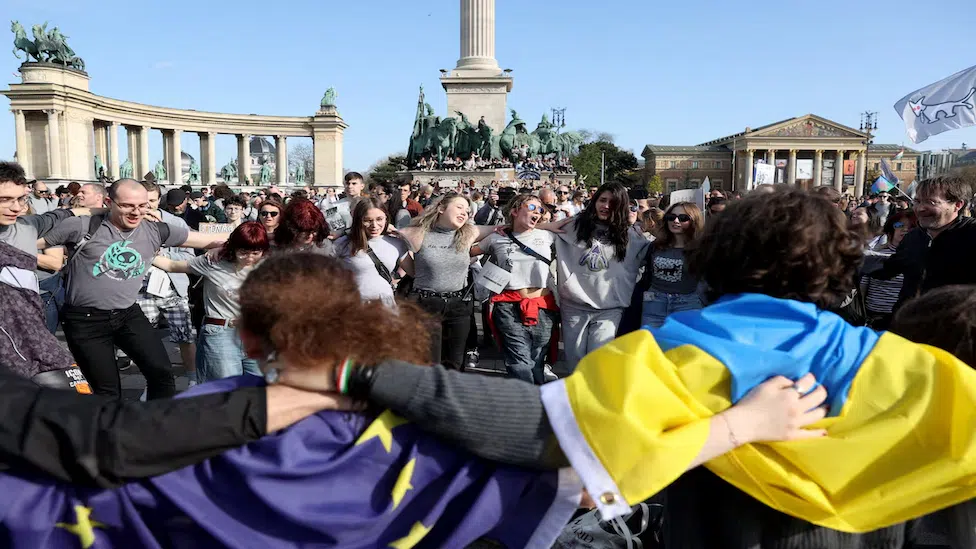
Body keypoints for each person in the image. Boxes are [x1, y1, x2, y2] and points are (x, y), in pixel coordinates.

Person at [0, 253, 827, 549]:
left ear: (249, 340)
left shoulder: (198, 412)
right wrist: (740, 425)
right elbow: (590, 457)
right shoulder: (424, 426)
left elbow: (93, 462)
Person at [38, 179, 227, 400]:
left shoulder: (155, 229)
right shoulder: (82, 225)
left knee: (162, 374)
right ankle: (111, 432)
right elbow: (27, 240)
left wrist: (258, 239)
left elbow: (209, 240)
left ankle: (153, 425)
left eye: (142, 205)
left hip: (127, 313)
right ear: (109, 202)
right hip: (85, 320)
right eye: (127, 205)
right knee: (107, 391)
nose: (136, 212)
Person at [550, 182, 651, 368]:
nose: (605, 206)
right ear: (594, 201)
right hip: (574, 305)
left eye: (612, 203)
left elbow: (661, 250)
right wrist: (549, 224)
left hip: (610, 308)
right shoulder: (573, 226)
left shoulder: (632, 236)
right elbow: (531, 231)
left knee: (598, 360)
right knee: (575, 362)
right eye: (602, 200)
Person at [152, 222, 268, 381]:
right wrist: (145, 251)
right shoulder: (213, 262)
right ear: (234, 248)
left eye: (256, 252)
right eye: (243, 252)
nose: (249, 258)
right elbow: (172, 265)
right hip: (221, 333)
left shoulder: (269, 265)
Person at [398, 193, 498, 370]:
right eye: (459, 207)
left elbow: (510, 227)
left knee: (455, 363)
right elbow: (380, 235)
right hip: (425, 305)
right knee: (429, 362)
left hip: (459, 306)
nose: (464, 213)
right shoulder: (417, 233)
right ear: (441, 208)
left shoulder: (468, 233)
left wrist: (554, 225)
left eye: (467, 211)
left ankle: (449, 396)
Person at [471, 194, 558, 384]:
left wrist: (547, 225)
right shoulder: (496, 238)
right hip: (507, 306)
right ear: (515, 211)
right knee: (519, 360)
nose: (538, 213)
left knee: (536, 360)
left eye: (540, 210)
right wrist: (494, 228)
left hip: (542, 306)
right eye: (532, 208)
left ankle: (535, 399)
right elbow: (466, 247)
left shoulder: (547, 235)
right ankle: (524, 402)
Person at [863, 174, 976, 306]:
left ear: (957, 204)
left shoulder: (971, 234)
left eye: (930, 202)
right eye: (917, 201)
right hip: (910, 321)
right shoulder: (914, 237)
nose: (920, 208)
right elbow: (890, 268)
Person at [628, 201, 705, 330]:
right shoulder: (654, 245)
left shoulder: (701, 249)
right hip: (654, 303)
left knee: (680, 347)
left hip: (687, 305)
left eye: (683, 218)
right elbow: (631, 266)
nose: (675, 221)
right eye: (671, 217)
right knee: (650, 346)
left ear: (693, 221)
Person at [334, 198, 409, 308]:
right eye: (368, 220)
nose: (374, 225)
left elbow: (413, 271)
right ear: (359, 220)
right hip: (354, 306)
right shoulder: (343, 243)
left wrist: (403, 235)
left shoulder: (396, 243)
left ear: (386, 219)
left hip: (385, 305)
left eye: (379, 219)